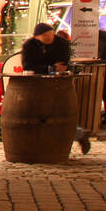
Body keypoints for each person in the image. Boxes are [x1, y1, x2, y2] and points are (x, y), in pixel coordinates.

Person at [22, 23, 90, 154]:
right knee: (43, 116)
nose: (47, 38)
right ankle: (78, 134)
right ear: (37, 37)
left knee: (55, 115)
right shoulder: (30, 45)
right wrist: (50, 67)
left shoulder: (62, 44)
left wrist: (58, 68)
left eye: (49, 34)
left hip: (59, 84)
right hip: (36, 85)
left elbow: (64, 63)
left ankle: (77, 135)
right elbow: (27, 65)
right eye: (43, 36)